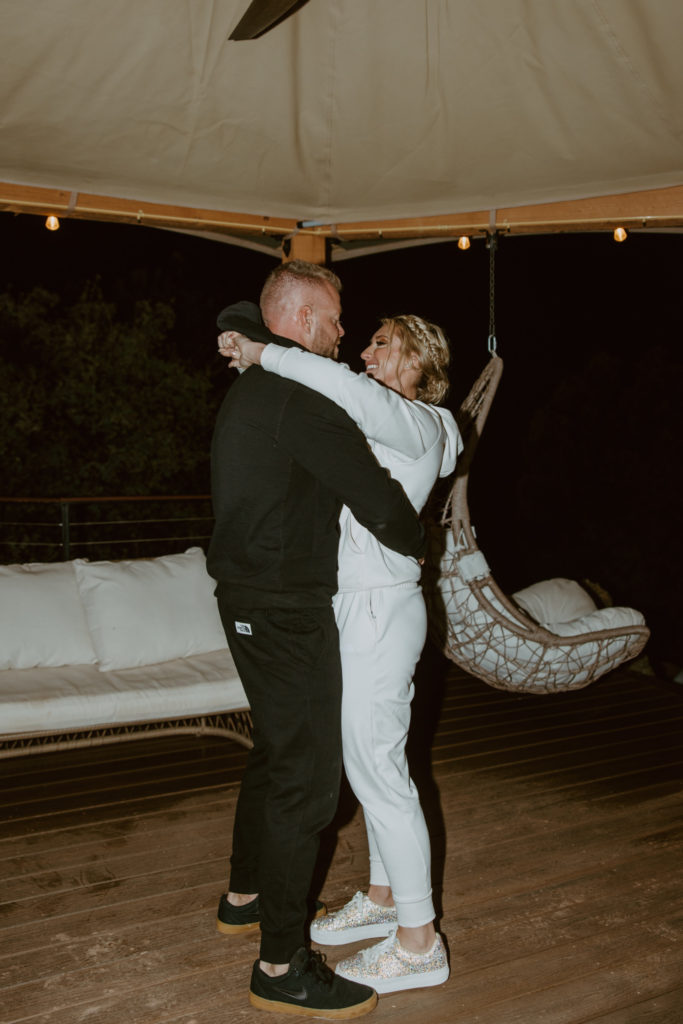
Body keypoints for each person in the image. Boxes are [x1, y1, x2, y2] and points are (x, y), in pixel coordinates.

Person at [207, 259, 427, 1019]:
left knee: (276, 749)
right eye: (335, 321)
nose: (341, 334)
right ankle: (279, 965)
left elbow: (248, 308)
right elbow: (377, 501)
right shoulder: (300, 399)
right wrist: (417, 542)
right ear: (301, 324)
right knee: (307, 778)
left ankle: (244, 895)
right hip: (285, 609)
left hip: (246, 598)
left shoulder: (255, 386)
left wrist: (245, 331)